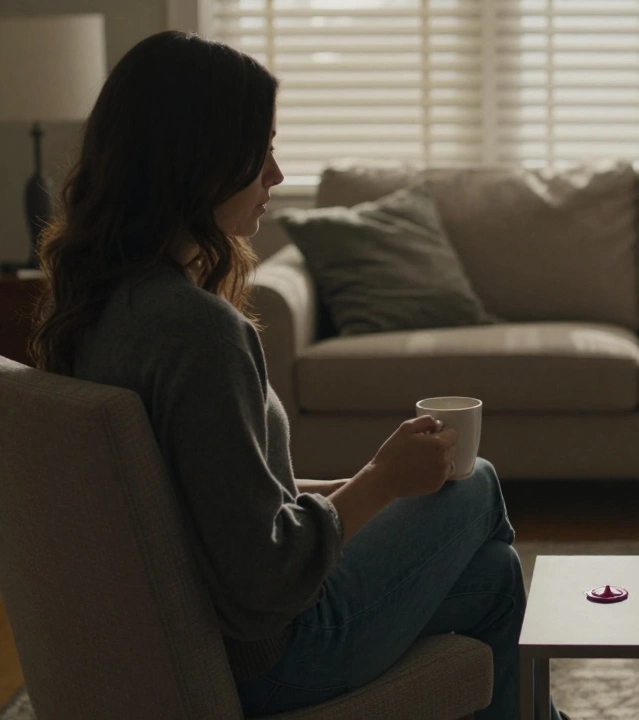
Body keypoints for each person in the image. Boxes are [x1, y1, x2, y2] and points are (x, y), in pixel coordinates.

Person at [29, 31, 563, 719]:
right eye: (262, 151)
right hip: (274, 656)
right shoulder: (198, 333)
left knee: (492, 579)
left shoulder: (96, 305)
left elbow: (208, 498)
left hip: (194, 634)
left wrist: (355, 481)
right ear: (201, 160)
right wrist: (381, 483)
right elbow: (265, 575)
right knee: (477, 482)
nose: (276, 175)